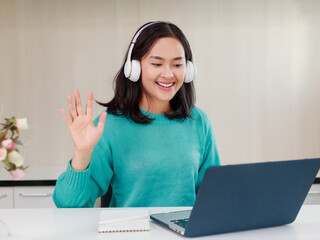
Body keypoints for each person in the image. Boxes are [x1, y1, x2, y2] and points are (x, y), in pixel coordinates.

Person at [53, 21, 221, 208]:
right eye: (157, 63)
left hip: (184, 235)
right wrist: (81, 153)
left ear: (188, 70)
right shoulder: (110, 126)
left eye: (177, 64)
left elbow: (213, 197)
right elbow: (68, 206)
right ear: (133, 68)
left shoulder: (199, 122)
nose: (168, 73)